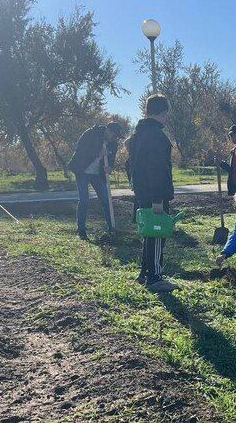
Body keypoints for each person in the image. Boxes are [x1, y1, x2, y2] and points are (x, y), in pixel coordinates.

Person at [126, 94, 178, 292]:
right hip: (155, 194)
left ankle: (144, 272)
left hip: (142, 193)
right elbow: (157, 169)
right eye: (166, 114)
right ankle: (155, 277)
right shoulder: (156, 135)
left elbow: (129, 165)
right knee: (157, 232)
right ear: (163, 113)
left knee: (148, 232)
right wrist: (158, 198)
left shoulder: (138, 134)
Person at [68, 121, 126, 240]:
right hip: (82, 171)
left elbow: (111, 160)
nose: (115, 139)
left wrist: (109, 167)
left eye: (117, 137)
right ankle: (81, 230)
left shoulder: (113, 144)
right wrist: (98, 154)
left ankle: (111, 227)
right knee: (84, 200)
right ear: (108, 131)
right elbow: (80, 151)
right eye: (114, 136)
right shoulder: (90, 134)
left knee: (106, 200)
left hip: (97, 174)